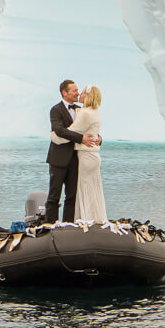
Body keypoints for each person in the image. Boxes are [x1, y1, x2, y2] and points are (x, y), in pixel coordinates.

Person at [44, 79, 99, 223]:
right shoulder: (56, 110)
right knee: (54, 195)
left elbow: (91, 127)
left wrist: (99, 138)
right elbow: (59, 130)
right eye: (74, 90)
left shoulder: (80, 110)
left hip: (75, 160)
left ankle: (68, 225)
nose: (77, 93)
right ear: (64, 93)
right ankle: (50, 225)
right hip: (58, 159)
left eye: (78, 90)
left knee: (72, 195)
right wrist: (80, 138)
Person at [69, 86, 107, 223]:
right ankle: (96, 217)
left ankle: (88, 218)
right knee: (94, 188)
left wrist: (55, 134)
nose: (80, 94)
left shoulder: (85, 114)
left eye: (83, 92)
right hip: (93, 155)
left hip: (86, 155)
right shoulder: (94, 112)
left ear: (88, 96)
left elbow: (72, 131)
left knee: (86, 188)